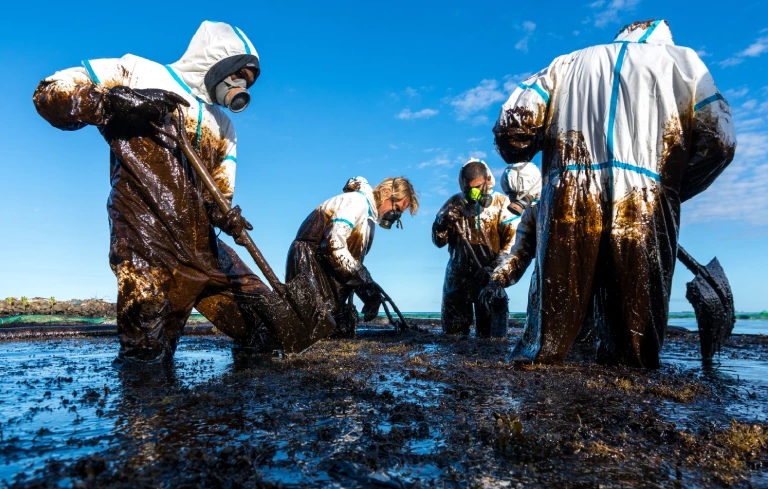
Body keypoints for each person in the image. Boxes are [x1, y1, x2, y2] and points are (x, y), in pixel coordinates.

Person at [493, 19, 735, 368]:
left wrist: (532, 156)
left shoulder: (566, 64)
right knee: (634, 342)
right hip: (645, 201)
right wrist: (669, 190)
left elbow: (511, 130)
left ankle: (534, 400)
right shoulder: (684, 64)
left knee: (548, 337)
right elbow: (721, 141)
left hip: (568, 195)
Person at [34, 21, 278, 364]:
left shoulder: (224, 125)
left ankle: (226, 415)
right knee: (147, 354)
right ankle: (149, 412)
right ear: (219, 61)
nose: (240, 86)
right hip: (145, 237)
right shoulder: (137, 71)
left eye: (248, 83)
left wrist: (226, 215)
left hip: (202, 246)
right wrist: (115, 101)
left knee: (269, 324)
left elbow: (219, 194)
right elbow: (49, 93)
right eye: (239, 75)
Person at [285, 176, 418, 338]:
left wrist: (368, 293)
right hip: (308, 260)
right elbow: (333, 244)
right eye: (396, 208)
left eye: (399, 214)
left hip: (323, 263)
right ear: (386, 193)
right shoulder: (357, 203)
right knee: (312, 326)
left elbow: (352, 263)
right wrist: (366, 284)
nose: (394, 216)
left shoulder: (369, 220)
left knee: (335, 327)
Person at [432, 159, 519, 337]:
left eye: (477, 187)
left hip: (488, 277)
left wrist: (495, 272)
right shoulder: (453, 203)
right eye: (467, 190)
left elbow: (511, 244)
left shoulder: (502, 204)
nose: (473, 194)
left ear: (488, 180)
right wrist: (441, 224)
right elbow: (439, 242)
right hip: (457, 278)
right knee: (453, 335)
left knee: (492, 337)